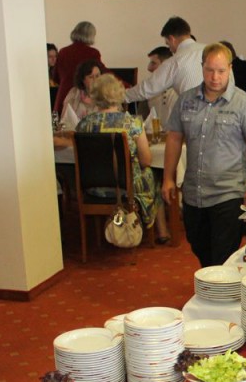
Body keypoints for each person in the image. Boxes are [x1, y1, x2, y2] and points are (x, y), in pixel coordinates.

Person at [163, 42, 246, 267]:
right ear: (202, 67)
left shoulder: (244, 103)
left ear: (230, 69)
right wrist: (168, 177)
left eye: (220, 71)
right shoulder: (185, 100)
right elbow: (174, 138)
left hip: (228, 193)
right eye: (209, 70)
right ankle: (212, 282)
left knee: (222, 255)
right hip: (194, 193)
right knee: (200, 247)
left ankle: (218, 286)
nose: (215, 77)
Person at [75, 73, 167, 243]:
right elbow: (146, 160)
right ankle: (162, 232)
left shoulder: (84, 124)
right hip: (127, 187)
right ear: (118, 94)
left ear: (94, 96)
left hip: (93, 188)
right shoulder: (131, 123)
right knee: (154, 174)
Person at [124, 16, 207, 108]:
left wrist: (121, 96)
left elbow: (148, 88)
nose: (170, 49)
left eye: (168, 44)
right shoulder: (210, 50)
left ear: (172, 39)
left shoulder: (175, 61)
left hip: (194, 112)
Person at [53, 21, 103, 112]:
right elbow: (104, 73)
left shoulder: (63, 51)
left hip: (63, 93)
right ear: (90, 35)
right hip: (82, 97)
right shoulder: (93, 53)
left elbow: (55, 76)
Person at [59, 59, 104, 131]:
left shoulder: (107, 94)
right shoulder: (74, 93)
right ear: (83, 80)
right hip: (76, 134)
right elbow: (64, 121)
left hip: (101, 135)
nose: (95, 80)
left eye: (98, 76)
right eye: (91, 77)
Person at [144, 45, 176, 126]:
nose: (149, 68)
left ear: (166, 65)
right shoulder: (149, 90)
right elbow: (141, 122)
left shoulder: (180, 90)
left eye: (153, 63)